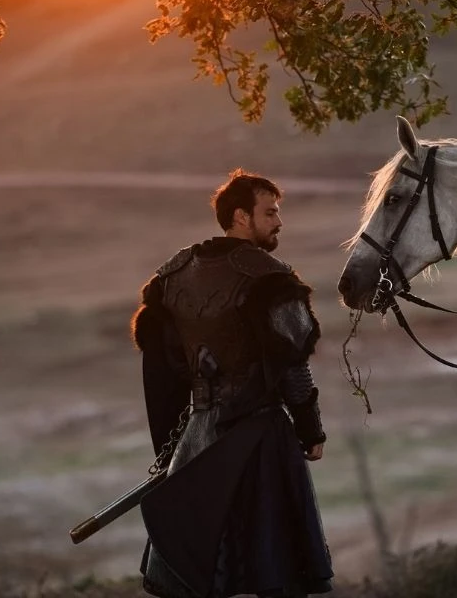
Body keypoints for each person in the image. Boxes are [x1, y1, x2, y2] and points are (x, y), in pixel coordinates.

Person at [130, 169, 333, 598]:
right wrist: (310, 428)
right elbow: (292, 360)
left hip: (197, 441)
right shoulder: (270, 276)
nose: (279, 222)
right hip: (261, 439)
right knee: (276, 566)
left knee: (204, 565)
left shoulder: (174, 274)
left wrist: (173, 451)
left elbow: (162, 373)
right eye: (271, 212)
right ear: (241, 216)